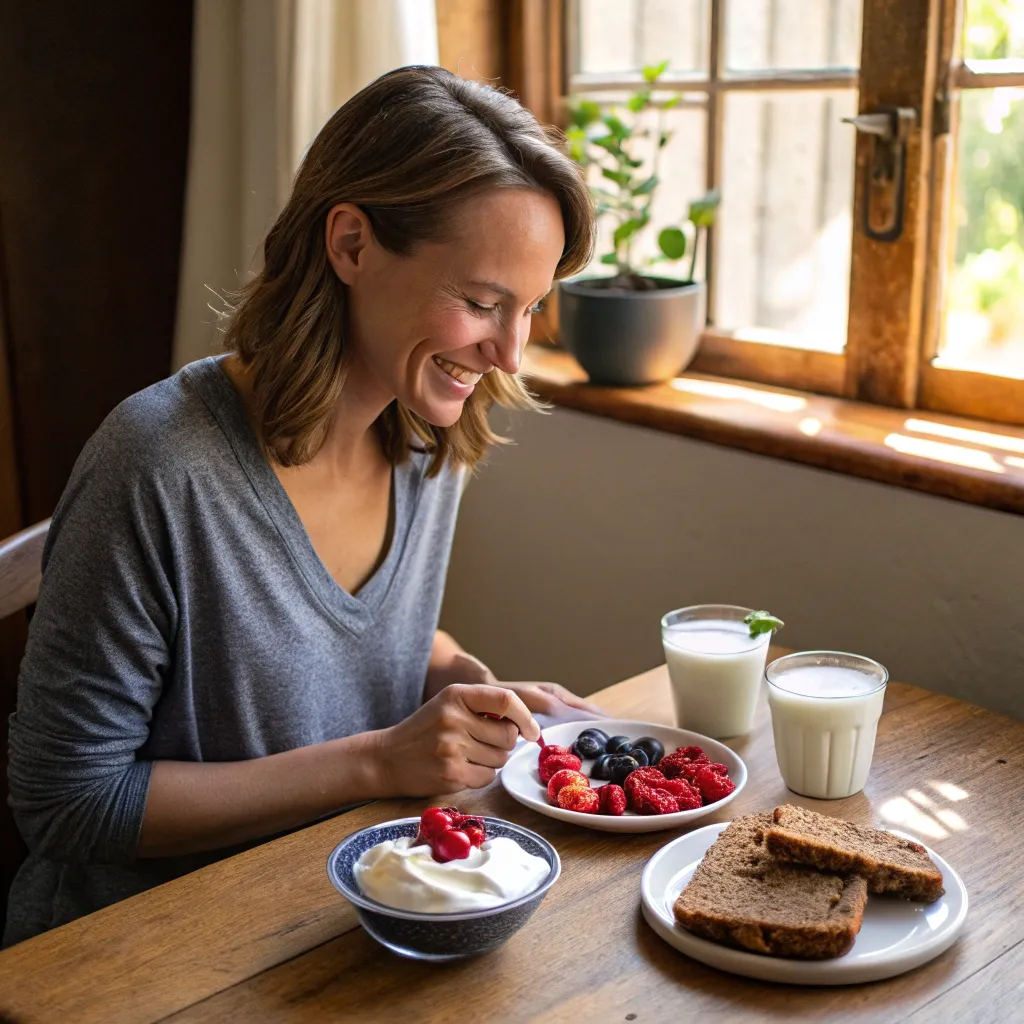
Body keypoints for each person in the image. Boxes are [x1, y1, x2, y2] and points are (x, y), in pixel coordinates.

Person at [4, 65, 599, 946]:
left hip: (337, 913)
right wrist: (378, 758)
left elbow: (352, 635)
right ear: (352, 244)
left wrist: (459, 680)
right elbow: (66, 803)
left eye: (531, 309)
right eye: (480, 302)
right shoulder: (156, 462)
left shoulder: (430, 440)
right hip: (140, 954)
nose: (508, 352)